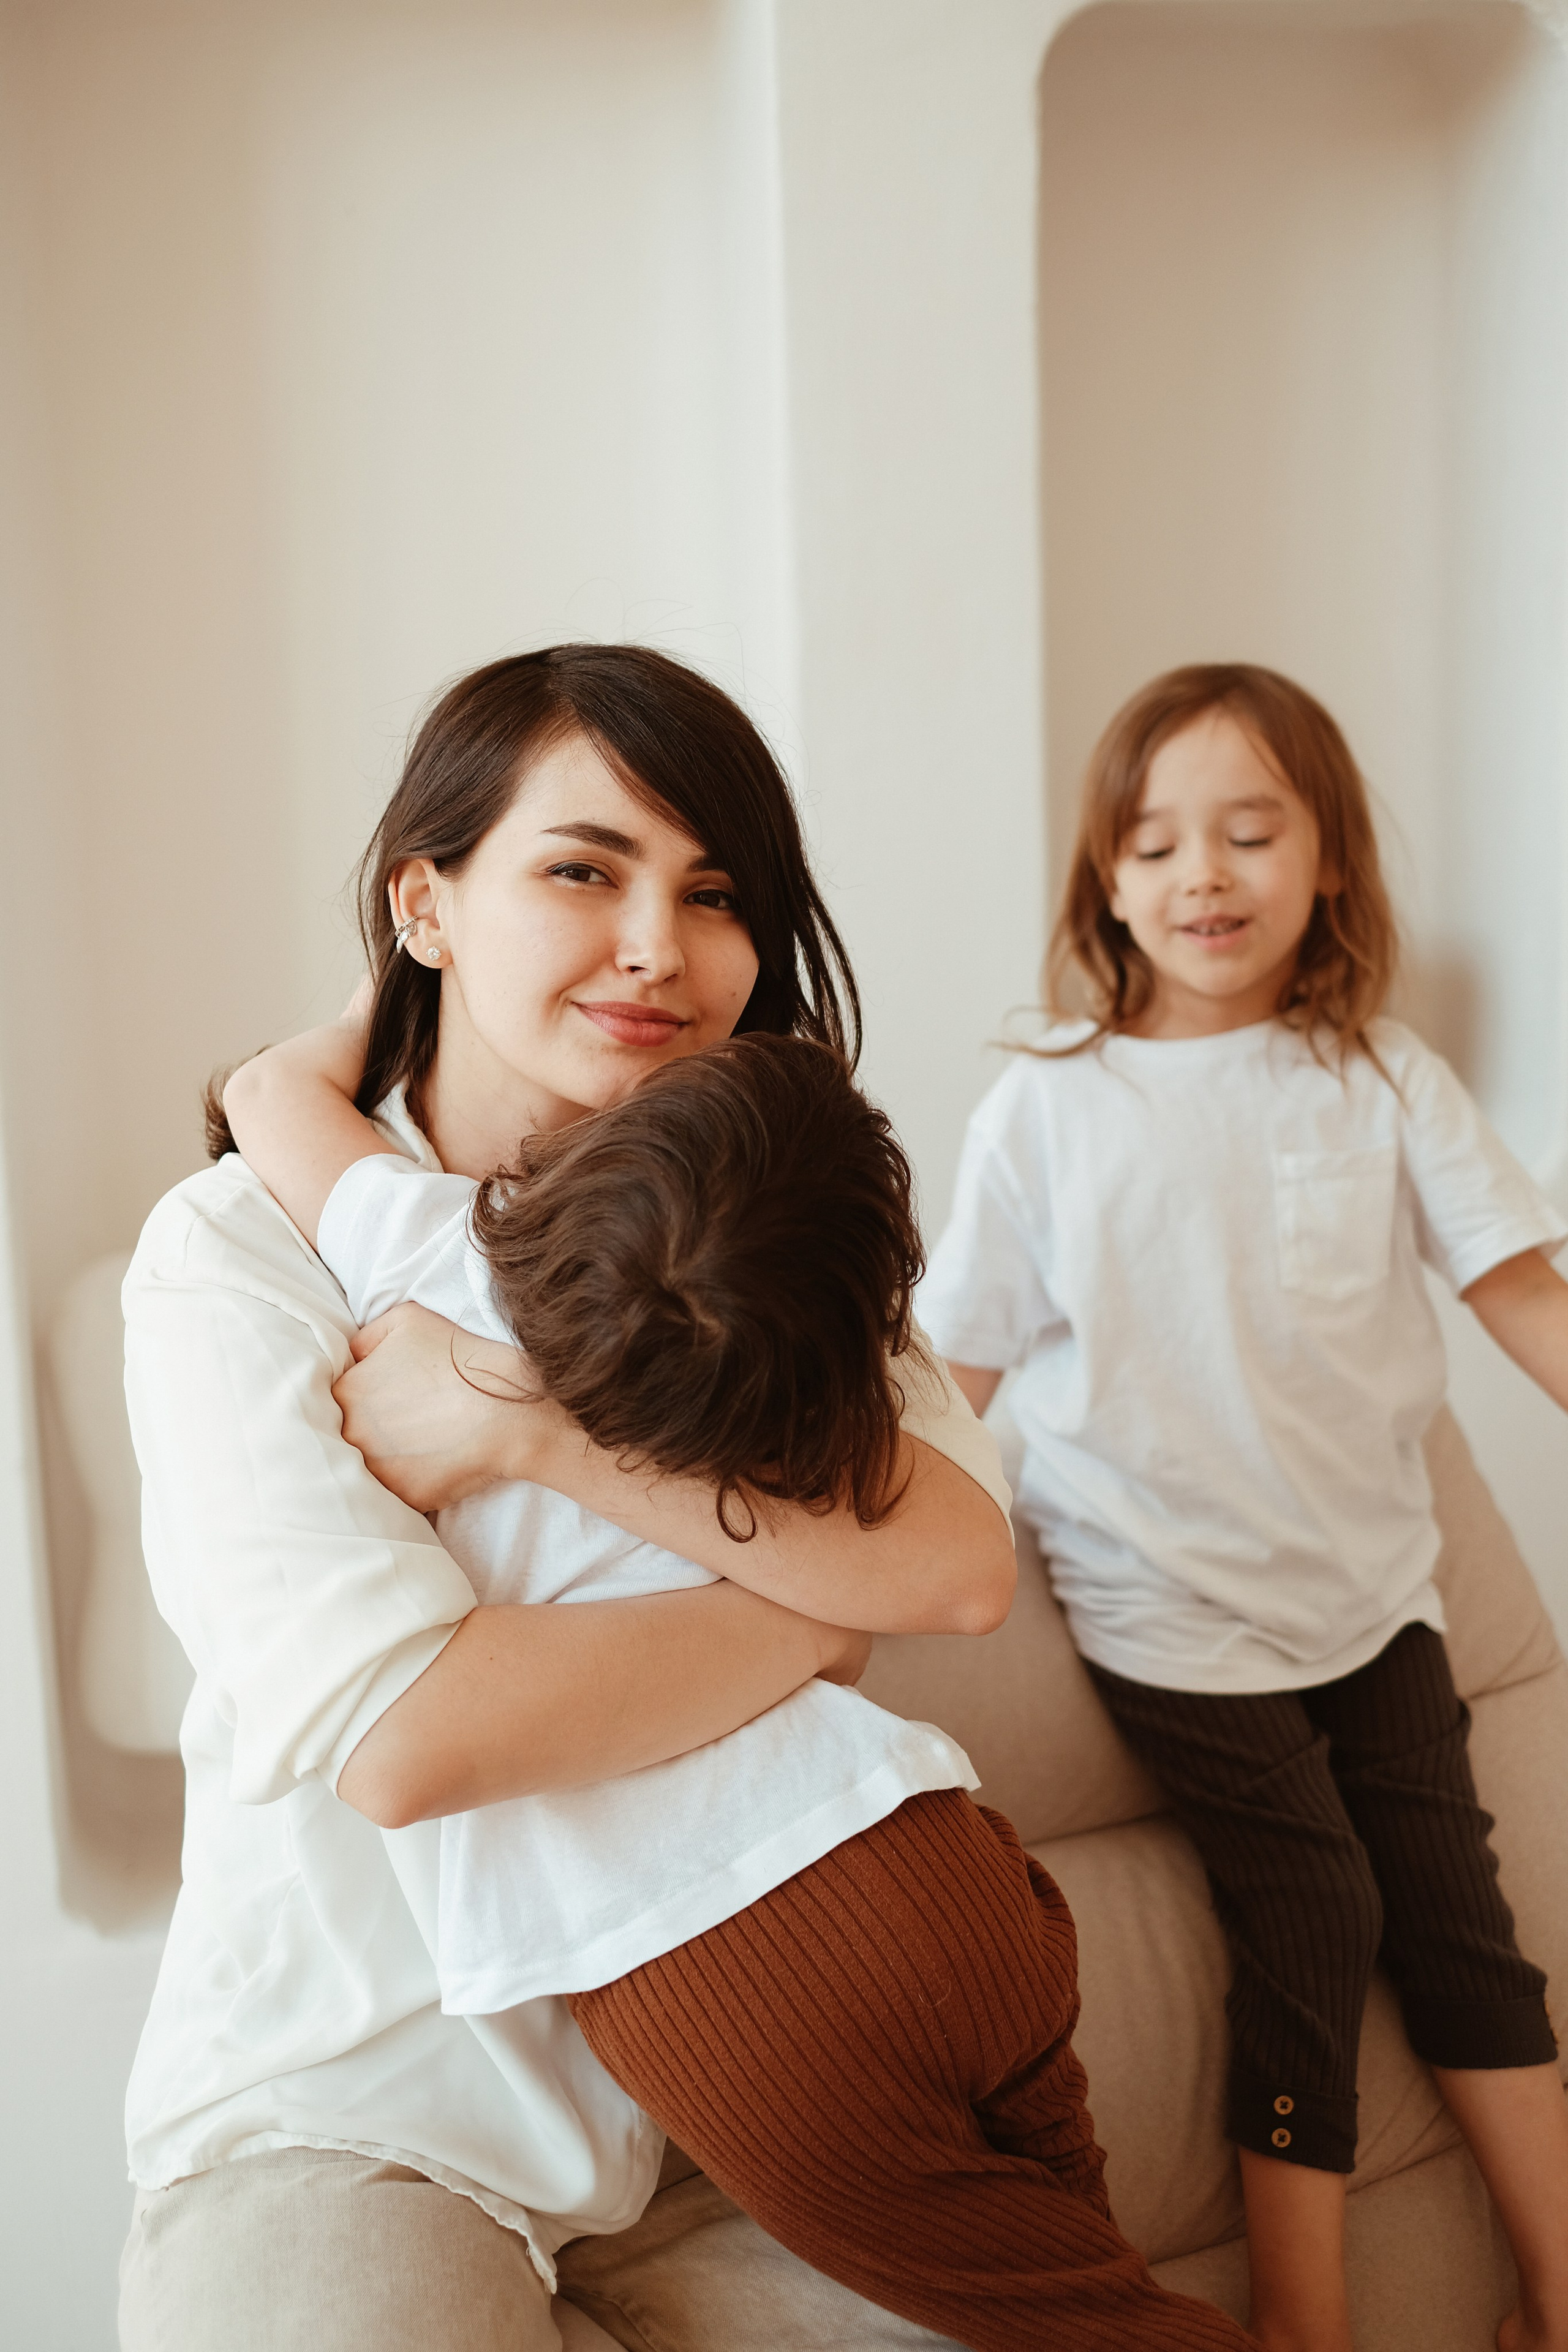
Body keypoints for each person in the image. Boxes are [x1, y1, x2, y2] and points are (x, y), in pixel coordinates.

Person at [116, 644, 1233, 2352]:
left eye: (715, 895)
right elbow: (412, 1738)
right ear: (426, 902)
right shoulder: (245, 1250)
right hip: (361, 2115)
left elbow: (941, 1566)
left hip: (723, 2107)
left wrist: (526, 1425)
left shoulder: (771, 1230)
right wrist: (800, 1600)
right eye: (581, 871)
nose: (656, 947)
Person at [918, 662, 1568, 2352]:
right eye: (1154, 844)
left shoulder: (1381, 1076)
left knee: (1463, 1931)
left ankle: (1558, 2278)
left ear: (1329, 862)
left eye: (1251, 832)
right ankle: (1302, 2320)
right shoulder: (1049, 1107)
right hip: (1172, 1611)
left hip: (1376, 1598)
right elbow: (951, 1381)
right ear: (1107, 883)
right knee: (1318, 1914)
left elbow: (1524, 1295)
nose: (1202, 874)